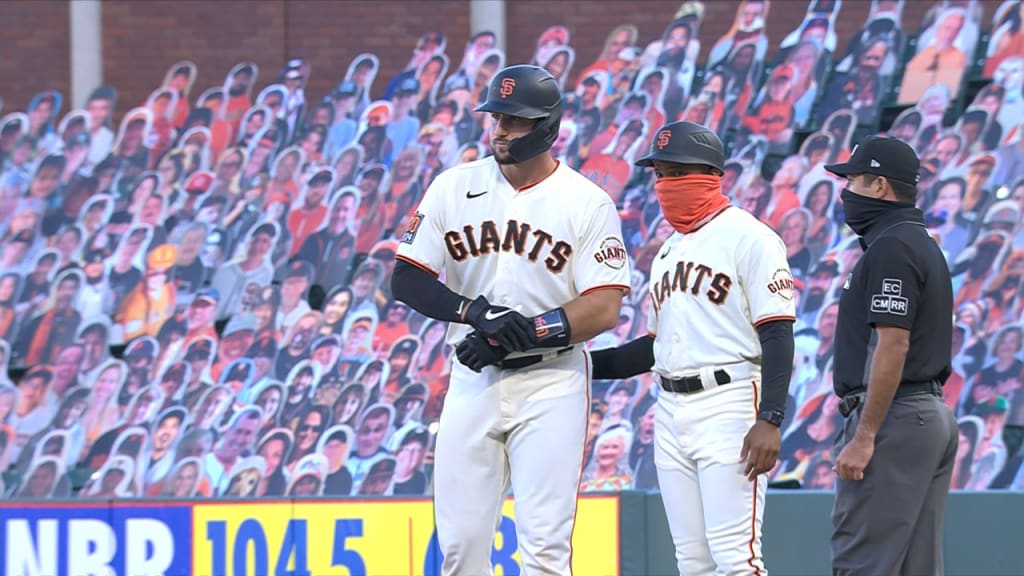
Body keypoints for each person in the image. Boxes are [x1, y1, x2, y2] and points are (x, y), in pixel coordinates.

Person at [391, 64, 630, 575]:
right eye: (496, 117)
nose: (500, 129)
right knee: (459, 546)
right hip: (472, 378)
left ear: (547, 126)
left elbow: (604, 305)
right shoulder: (453, 186)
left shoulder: (587, 202)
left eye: (515, 120)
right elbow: (406, 280)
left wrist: (509, 338)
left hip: (551, 381)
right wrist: (475, 313)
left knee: (544, 549)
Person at [588, 120, 795, 575]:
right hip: (670, 409)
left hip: (730, 401)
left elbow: (778, 333)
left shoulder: (751, 237)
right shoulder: (668, 251)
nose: (663, 185)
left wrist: (771, 419)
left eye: (672, 172)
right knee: (693, 561)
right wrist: (575, 363)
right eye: (658, 173)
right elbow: (650, 349)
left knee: (736, 559)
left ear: (706, 172)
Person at [823, 136, 957, 575]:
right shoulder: (918, 243)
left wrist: (864, 435)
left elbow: (893, 343)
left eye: (855, 181)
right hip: (924, 414)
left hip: (895, 418)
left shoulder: (894, 246)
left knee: (863, 562)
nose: (846, 194)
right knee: (914, 567)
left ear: (879, 186)